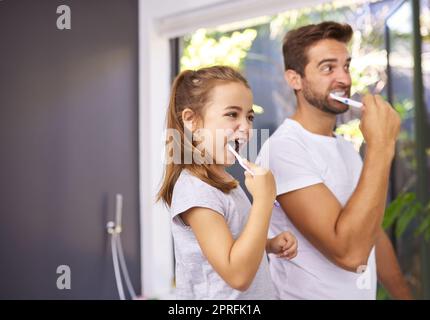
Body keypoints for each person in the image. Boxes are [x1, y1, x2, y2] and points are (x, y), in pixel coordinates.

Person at [257, 21, 412, 299]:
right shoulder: (282, 150)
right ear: (295, 79)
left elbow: (371, 231)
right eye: (328, 68)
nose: (344, 79)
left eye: (346, 66)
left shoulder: (344, 148)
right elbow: (350, 253)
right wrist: (381, 144)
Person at [157, 65, 298, 299]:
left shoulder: (225, 181)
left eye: (249, 117)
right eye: (232, 114)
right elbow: (237, 275)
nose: (246, 127)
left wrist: (269, 244)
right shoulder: (196, 191)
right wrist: (264, 200)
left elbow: (234, 241)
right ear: (192, 121)